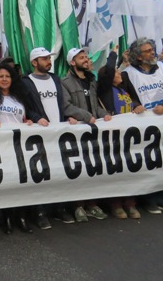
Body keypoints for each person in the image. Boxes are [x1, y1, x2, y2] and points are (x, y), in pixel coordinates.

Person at [121, 38, 163, 215]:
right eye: (148, 51)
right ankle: (149, 200)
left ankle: (162, 198)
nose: (152, 53)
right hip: (144, 126)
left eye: (152, 49)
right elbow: (123, 95)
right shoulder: (128, 74)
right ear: (139, 57)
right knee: (149, 161)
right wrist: (134, 105)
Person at [20, 47, 74, 228]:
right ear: (34, 62)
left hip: (58, 133)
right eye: (43, 59)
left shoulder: (56, 79)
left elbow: (60, 104)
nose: (48, 61)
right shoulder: (26, 82)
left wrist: (67, 118)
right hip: (38, 135)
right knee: (40, 173)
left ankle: (59, 208)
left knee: (59, 171)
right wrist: (36, 118)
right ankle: (40, 211)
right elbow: (25, 107)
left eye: (48, 58)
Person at [62, 48, 112, 222]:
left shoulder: (91, 81)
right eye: (81, 58)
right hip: (78, 133)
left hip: (93, 131)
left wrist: (102, 113)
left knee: (95, 168)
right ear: (72, 63)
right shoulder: (65, 82)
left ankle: (92, 204)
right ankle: (78, 205)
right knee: (79, 169)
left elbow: (94, 104)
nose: (86, 59)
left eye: (86, 57)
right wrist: (85, 116)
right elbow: (67, 106)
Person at [0, 64, 34, 234]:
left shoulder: (19, 97)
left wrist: (29, 122)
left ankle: (21, 216)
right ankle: (6, 217)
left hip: (19, 146)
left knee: (22, 182)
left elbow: (26, 116)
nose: (4, 79)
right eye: (0, 76)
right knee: (6, 184)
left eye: (7, 76)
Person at [96, 47, 142, 220]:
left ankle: (130, 203)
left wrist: (137, 105)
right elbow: (108, 71)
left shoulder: (123, 90)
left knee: (130, 169)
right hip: (113, 136)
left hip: (129, 136)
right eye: (116, 72)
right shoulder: (106, 90)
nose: (119, 73)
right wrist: (113, 54)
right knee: (115, 170)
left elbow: (133, 102)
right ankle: (115, 204)